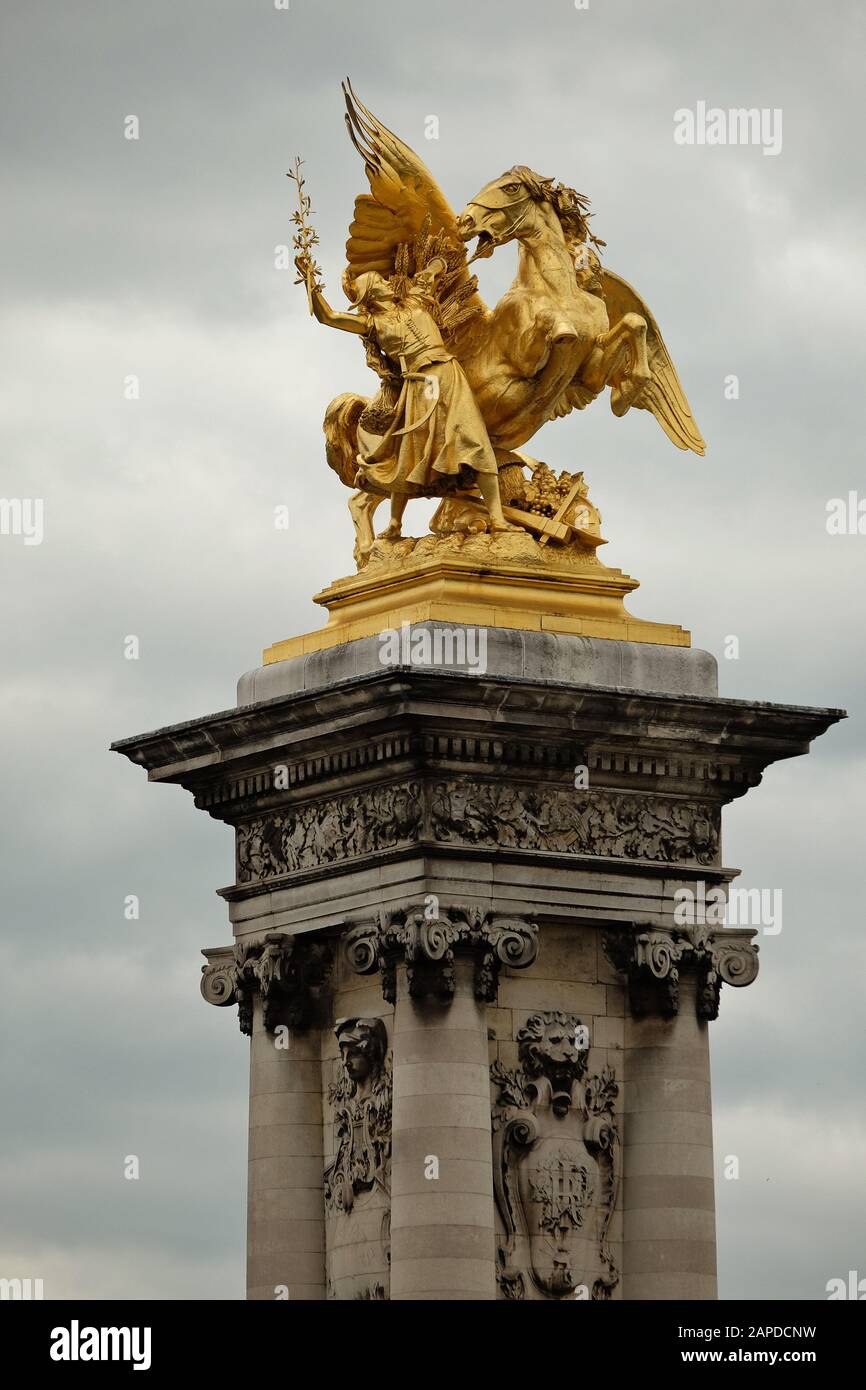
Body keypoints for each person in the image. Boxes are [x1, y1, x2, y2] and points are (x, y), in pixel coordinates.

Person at [300, 257, 513, 536]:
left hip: (449, 375)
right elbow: (328, 316)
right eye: (379, 281)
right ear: (371, 293)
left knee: (476, 442)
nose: (387, 282)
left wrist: (435, 266)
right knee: (407, 454)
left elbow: (438, 266)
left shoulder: (414, 299)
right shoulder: (372, 323)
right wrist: (310, 282)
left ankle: (497, 519)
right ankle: (395, 523)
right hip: (419, 386)